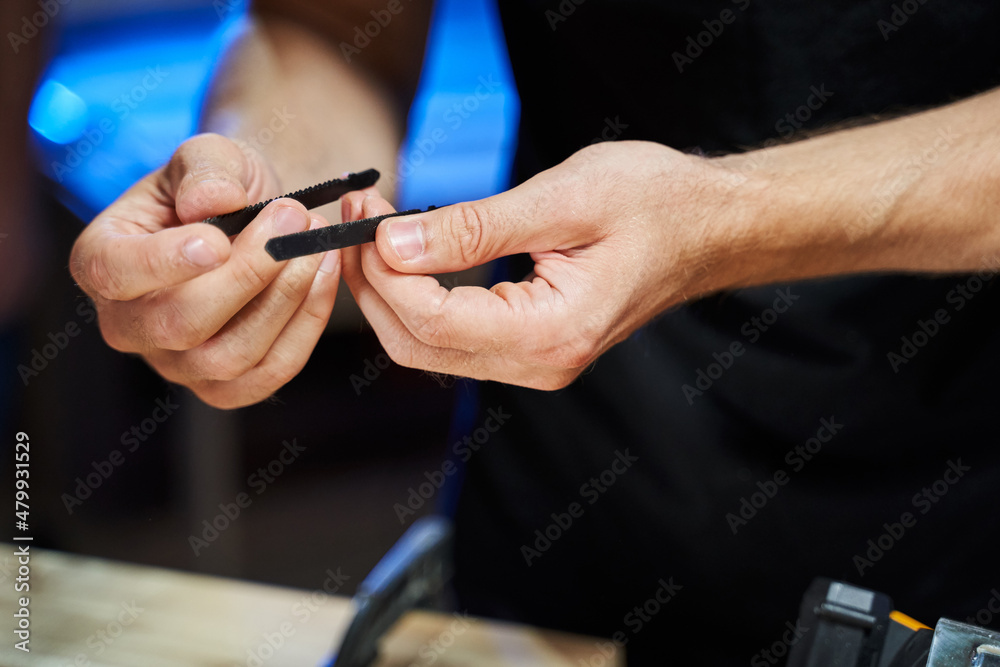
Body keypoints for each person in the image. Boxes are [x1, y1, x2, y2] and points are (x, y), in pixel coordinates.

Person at [69, 1, 1000, 664]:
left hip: (952, 523)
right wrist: (256, 186)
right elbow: (328, 26)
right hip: (561, 514)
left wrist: (727, 216)